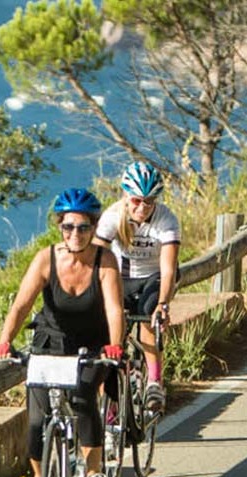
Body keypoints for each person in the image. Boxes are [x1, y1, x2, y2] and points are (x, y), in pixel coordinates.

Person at [0, 187, 126, 477]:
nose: (75, 234)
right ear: (59, 227)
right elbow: (22, 303)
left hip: (91, 345)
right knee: (37, 420)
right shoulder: (45, 259)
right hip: (49, 343)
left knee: (82, 399)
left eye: (83, 227)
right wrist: (5, 339)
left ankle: (94, 473)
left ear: (94, 227)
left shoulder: (105, 261)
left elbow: (114, 308)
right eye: (68, 227)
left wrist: (115, 345)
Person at [93, 161, 181, 413]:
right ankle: (108, 403)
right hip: (122, 277)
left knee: (148, 317)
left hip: (155, 277)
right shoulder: (112, 217)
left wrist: (163, 304)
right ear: (125, 195)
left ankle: (154, 380)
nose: (142, 207)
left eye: (149, 201)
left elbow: (168, 269)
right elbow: (98, 259)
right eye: (136, 200)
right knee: (112, 327)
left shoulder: (166, 220)